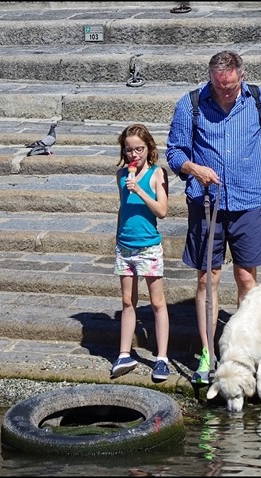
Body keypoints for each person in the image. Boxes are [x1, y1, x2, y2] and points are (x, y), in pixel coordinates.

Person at [165, 50, 261, 384]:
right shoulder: (189, 103)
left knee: (247, 278)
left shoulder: (258, 100)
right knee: (208, 278)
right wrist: (193, 168)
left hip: (247, 199)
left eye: (230, 87)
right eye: (219, 87)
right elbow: (174, 152)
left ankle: (244, 350)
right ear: (211, 79)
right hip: (207, 202)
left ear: (241, 77)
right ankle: (207, 353)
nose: (225, 93)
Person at [111, 123, 172, 382]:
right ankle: (124, 353)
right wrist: (117, 237)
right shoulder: (121, 175)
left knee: (157, 301)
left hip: (148, 245)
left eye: (139, 149)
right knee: (128, 301)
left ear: (149, 149)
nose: (133, 155)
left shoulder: (158, 174)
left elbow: (162, 210)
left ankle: (161, 357)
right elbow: (122, 209)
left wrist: (140, 190)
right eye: (128, 150)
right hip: (125, 245)